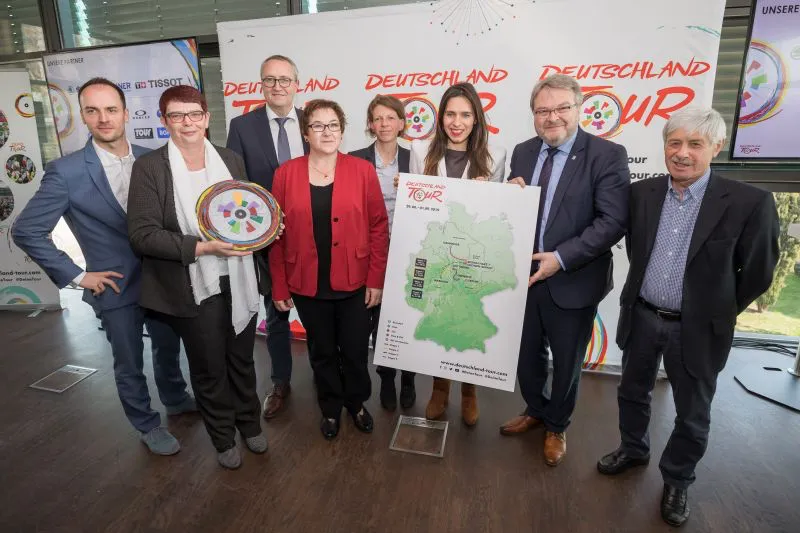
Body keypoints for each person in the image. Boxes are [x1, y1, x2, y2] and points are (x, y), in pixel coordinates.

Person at [596, 107, 779, 527]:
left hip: (698, 329)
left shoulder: (750, 203)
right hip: (642, 317)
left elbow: (757, 273)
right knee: (631, 393)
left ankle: (677, 478)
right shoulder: (642, 194)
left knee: (693, 412)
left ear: (715, 148)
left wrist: (715, 310)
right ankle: (633, 448)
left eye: (694, 144)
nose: (681, 153)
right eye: (673, 143)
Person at [12, 77, 194, 456]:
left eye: (111, 109)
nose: (104, 118)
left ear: (126, 113)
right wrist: (78, 276)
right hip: (112, 285)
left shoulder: (155, 157)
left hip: (161, 278)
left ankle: (176, 398)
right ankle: (146, 423)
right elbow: (27, 230)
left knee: (167, 348)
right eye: (93, 111)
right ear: (83, 116)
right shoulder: (66, 171)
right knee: (128, 360)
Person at [128, 85, 267, 470]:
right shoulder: (151, 167)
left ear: (207, 118)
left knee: (242, 359)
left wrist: (266, 226)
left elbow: (246, 212)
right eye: (177, 115)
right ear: (164, 121)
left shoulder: (230, 159)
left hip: (238, 277)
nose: (187, 122)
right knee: (208, 367)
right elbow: (143, 235)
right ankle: (223, 437)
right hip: (191, 283)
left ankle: (249, 423)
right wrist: (204, 248)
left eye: (194, 114)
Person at [499, 74, 630, 467]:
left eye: (560, 108)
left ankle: (557, 425)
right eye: (542, 110)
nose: (551, 117)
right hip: (523, 276)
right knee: (527, 355)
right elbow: (517, 208)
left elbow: (612, 221)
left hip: (573, 278)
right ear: (533, 115)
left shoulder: (607, 154)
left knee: (567, 359)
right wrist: (509, 194)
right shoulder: (522, 151)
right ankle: (535, 409)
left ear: (578, 108)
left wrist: (561, 257)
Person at [269, 99, 389, 440]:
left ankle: (356, 403)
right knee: (321, 352)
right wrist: (279, 286)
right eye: (318, 125)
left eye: (333, 125)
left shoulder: (362, 170)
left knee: (353, 350)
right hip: (307, 283)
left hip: (354, 281)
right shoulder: (286, 173)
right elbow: (275, 235)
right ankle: (331, 408)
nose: (326, 131)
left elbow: (379, 226)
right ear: (306, 132)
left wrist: (376, 279)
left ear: (342, 129)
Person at [409, 82, 506, 426]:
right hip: (435, 253)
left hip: (473, 256)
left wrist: (490, 194)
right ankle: (439, 388)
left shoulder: (496, 155)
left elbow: (499, 213)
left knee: (469, 320)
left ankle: (469, 391)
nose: (457, 121)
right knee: (438, 318)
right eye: (450, 113)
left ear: (476, 119)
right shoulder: (421, 151)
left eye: (465, 114)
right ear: (441, 117)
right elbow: (416, 206)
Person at [226, 54, 309, 419]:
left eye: (284, 79)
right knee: (276, 311)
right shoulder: (242, 126)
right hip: (264, 238)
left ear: (296, 83)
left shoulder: (314, 120)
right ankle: (280, 382)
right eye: (269, 80)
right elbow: (236, 183)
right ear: (261, 85)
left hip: (313, 234)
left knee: (321, 309)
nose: (277, 86)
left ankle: (327, 375)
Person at [349, 94, 416, 412]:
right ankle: (386, 377)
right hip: (370, 252)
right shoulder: (353, 159)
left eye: (391, 117)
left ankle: (409, 380)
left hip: (408, 252)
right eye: (377, 118)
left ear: (402, 123)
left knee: (408, 317)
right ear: (370, 124)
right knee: (376, 319)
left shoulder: (416, 159)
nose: (384, 124)